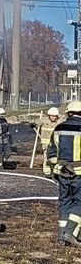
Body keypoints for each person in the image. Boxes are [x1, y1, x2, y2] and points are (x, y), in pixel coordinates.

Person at [45, 101, 81, 246]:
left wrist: (57, 166)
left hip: (62, 173)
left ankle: (61, 236)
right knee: (79, 202)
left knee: (65, 202)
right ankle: (70, 231)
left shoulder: (58, 128)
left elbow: (51, 152)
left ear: (68, 113)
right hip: (79, 173)